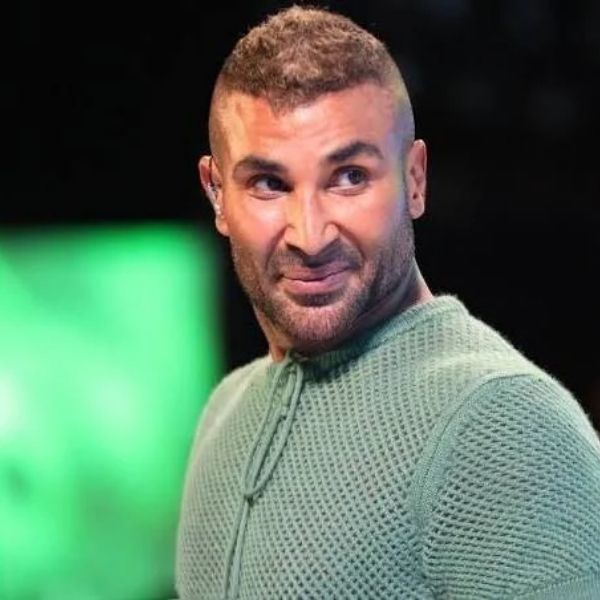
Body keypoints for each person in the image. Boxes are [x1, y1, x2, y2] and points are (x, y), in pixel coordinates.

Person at [175, 6, 600, 599]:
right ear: (217, 193)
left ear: (415, 179)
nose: (310, 234)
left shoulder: (503, 424)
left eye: (349, 176)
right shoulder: (226, 412)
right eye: (269, 184)